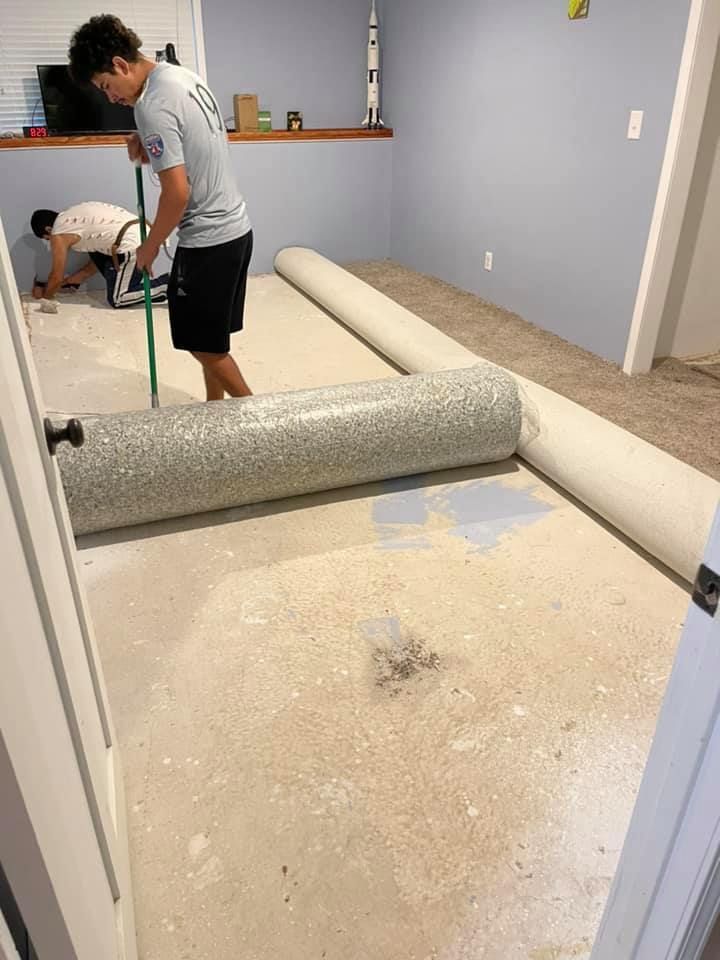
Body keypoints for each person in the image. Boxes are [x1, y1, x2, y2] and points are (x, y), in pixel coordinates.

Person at [68, 15, 254, 400]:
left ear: (120, 64)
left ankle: (261, 422)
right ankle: (215, 410)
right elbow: (191, 140)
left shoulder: (150, 105)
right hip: (237, 230)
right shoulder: (180, 76)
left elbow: (177, 195)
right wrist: (149, 142)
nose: (111, 98)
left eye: (107, 86)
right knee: (212, 341)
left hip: (207, 241)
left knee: (201, 345)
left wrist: (150, 246)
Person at [30, 202, 169, 308]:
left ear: (48, 229)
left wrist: (46, 299)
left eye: (47, 238)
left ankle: (168, 284)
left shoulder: (58, 232)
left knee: (118, 299)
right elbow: (100, 247)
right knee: (93, 248)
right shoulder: (74, 215)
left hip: (133, 245)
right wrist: (78, 277)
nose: (51, 242)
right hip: (146, 233)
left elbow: (56, 276)